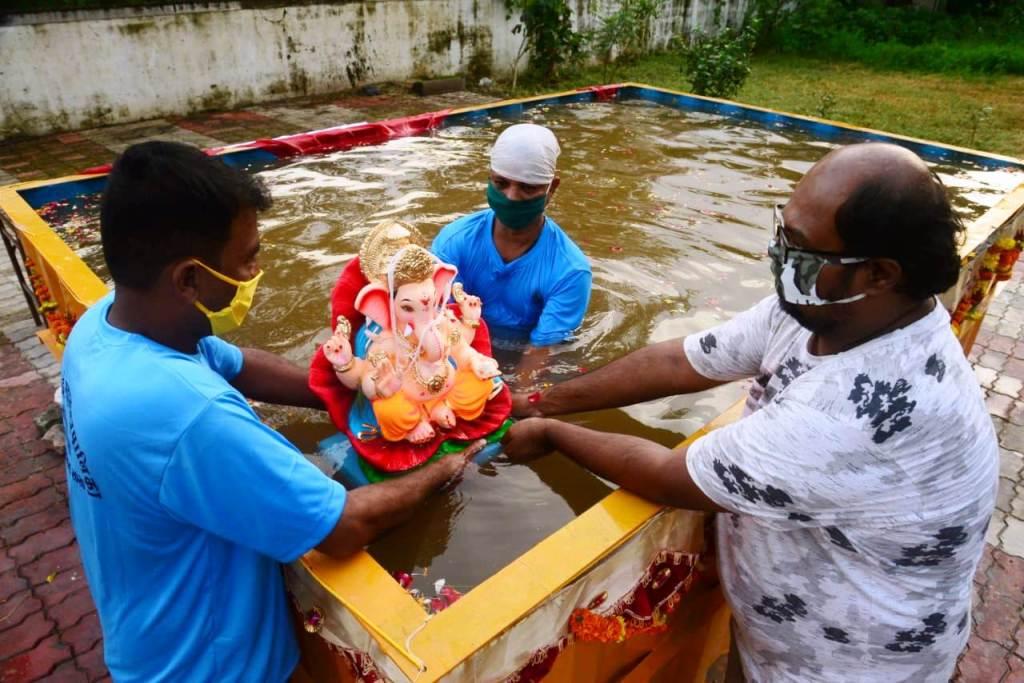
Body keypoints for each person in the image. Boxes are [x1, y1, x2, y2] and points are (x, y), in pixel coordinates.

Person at [502, 142, 998, 682]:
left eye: (800, 246)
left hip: (847, 665)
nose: (777, 253)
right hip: (780, 636)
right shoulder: (823, 308)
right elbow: (681, 360)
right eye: (782, 230)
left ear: (879, 274)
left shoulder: (863, 406)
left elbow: (671, 475)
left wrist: (552, 432)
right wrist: (542, 400)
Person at [61, 141, 482, 683]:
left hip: (145, 628)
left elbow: (237, 363)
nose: (258, 270)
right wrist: (444, 467)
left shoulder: (104, 327)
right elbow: (344, 525)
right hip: (210, 666)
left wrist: (355, 395)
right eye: (248, 257)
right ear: (188, 279)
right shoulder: (191, 415)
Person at [431, 123, 592, 353]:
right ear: (489, 178)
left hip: (523, 350)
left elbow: (543, 351)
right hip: (461, 343)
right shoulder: (454, 241)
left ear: (552, 188)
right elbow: (432, 320)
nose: (512, 197)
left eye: (528, 188)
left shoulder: (570, 270)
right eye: (501, 183)